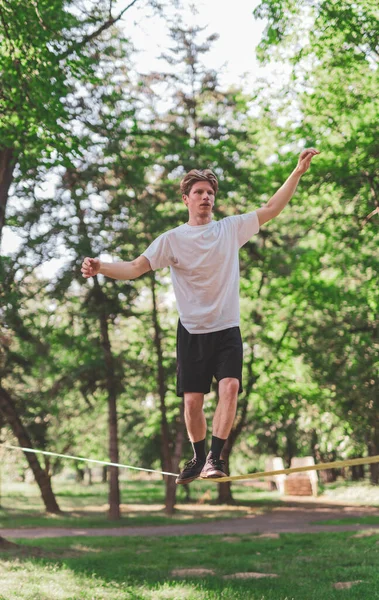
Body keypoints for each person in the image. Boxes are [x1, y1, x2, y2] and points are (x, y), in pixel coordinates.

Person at [81, 148, 320, 484]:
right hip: (192, 331)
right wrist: (101, 266)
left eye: (210, 192)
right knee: (193, 403)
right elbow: (135, 268)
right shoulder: (172, 241)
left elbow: (271, 208)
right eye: (199, 192)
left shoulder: (230, 229)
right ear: (186, 199)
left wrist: (297, 172)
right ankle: (197, 458)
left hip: (227, 328)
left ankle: (215, 459)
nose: (205, 197)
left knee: (231, 387)